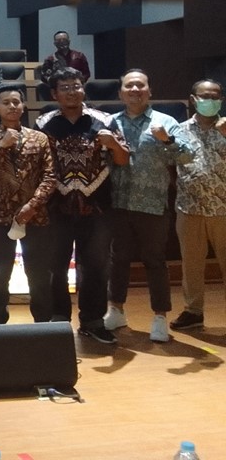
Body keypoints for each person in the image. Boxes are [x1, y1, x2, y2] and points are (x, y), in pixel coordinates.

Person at [36, 68, 129, 344]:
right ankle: (58, 321)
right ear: (54, 94)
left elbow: (123, 160)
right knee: (55, 267)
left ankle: (92, 321)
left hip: (97, 208)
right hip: (56, 208)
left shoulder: (104, 120)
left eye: (76, 86)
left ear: (83, 88)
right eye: (64, 87)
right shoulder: (44, 124)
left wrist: (113, 145)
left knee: (96, 267)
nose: (71, 91)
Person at [105, 70, 193, 342]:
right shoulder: (110, 123)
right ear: (121, 92)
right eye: (129, 86)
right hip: (118, 203)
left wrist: (167, 139)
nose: (134, 90)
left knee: (155, 261)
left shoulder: (165, 122)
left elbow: (188, 156)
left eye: (140, 86)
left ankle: (159, 317)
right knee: (118, 259)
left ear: (149, 91)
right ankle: (116, 310)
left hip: (153, 205)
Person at [0, 87, 57, 325]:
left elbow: (50, 176)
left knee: (39, 274)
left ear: (23, 106)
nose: (12, 106)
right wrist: (1, 146)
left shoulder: (39, 138)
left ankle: (43, 323)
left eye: (16, 102)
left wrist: (33, 204)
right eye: (6, 102)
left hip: (35, 215)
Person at [172, 80, 226, 331]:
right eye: (205, 96)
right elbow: (170, 164)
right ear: (193, 99)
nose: (210, 100)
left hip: (223, 210)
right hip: (189, 208)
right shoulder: (179, 130)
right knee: (191, 264)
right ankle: (193, 312)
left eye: (215, 96)